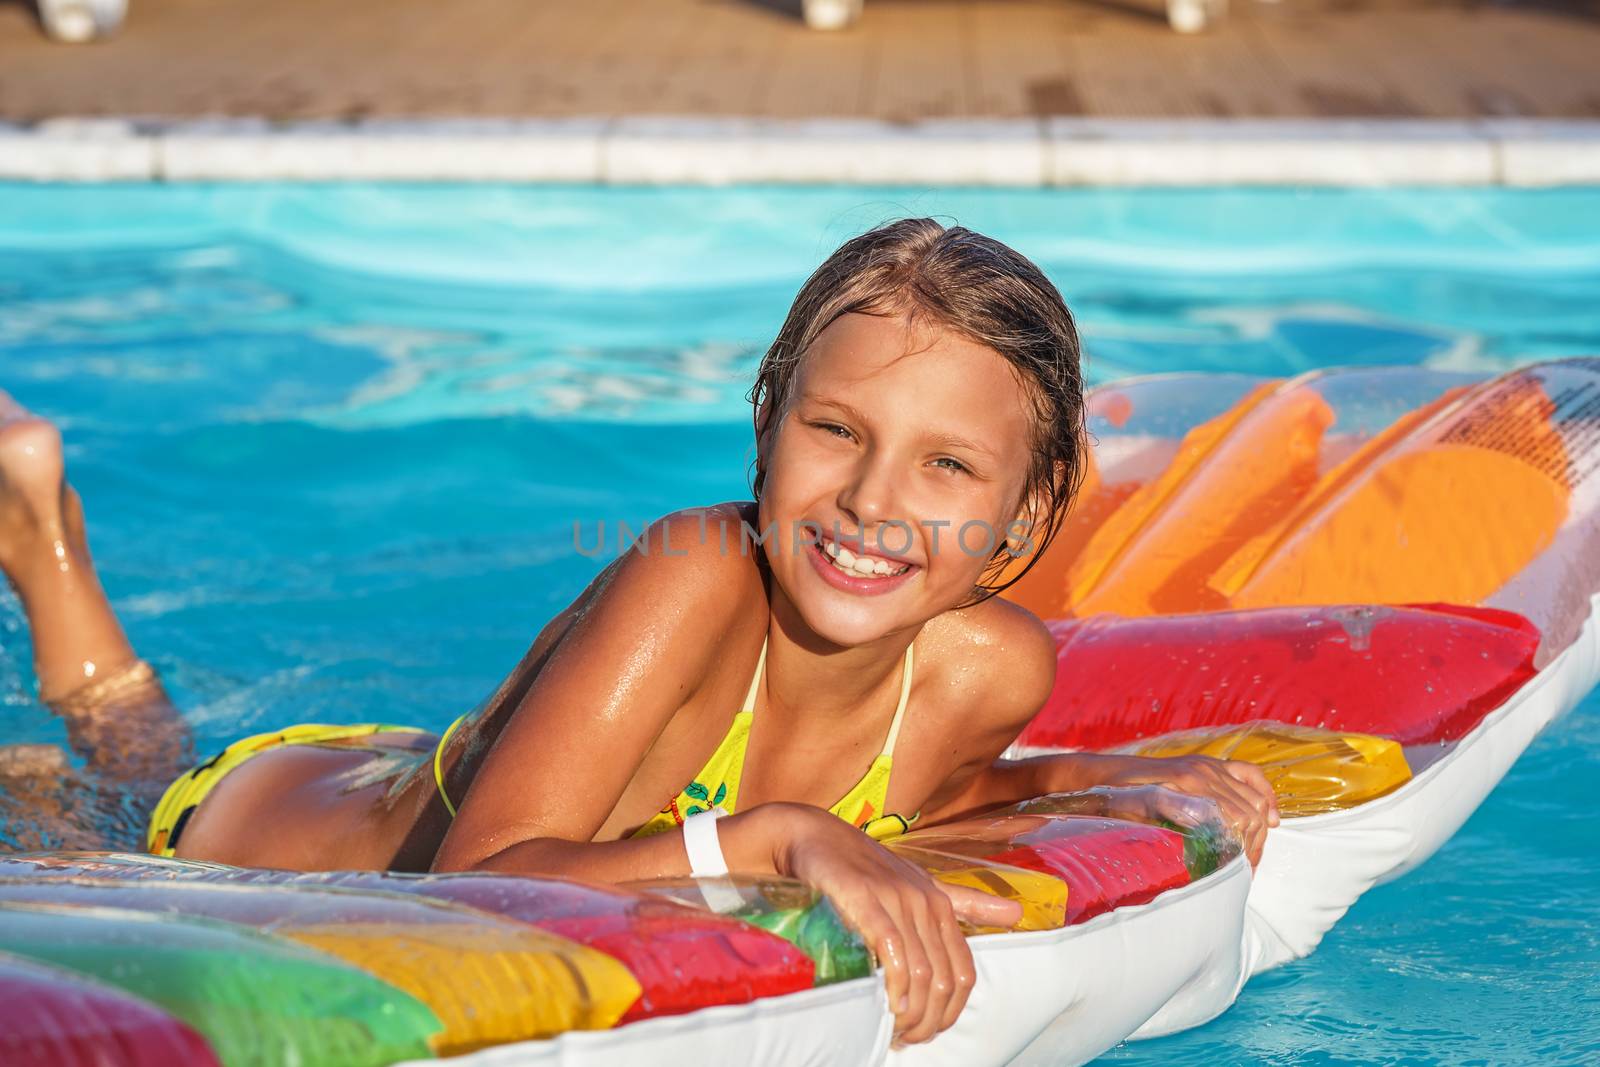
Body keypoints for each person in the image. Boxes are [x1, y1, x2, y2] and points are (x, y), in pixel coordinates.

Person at [0, 219, 1277, 1045]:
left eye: (947, 464)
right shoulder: (698, 574)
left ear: (1026, 509)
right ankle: (42, 535)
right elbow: (472, 884)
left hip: (443, 758)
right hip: (266, 838)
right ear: (767, 421)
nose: (875, 501)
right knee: (114, 776)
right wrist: (777, 835)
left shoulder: (989, 669)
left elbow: (917, 814)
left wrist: (1083, 779)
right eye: (835, 430)